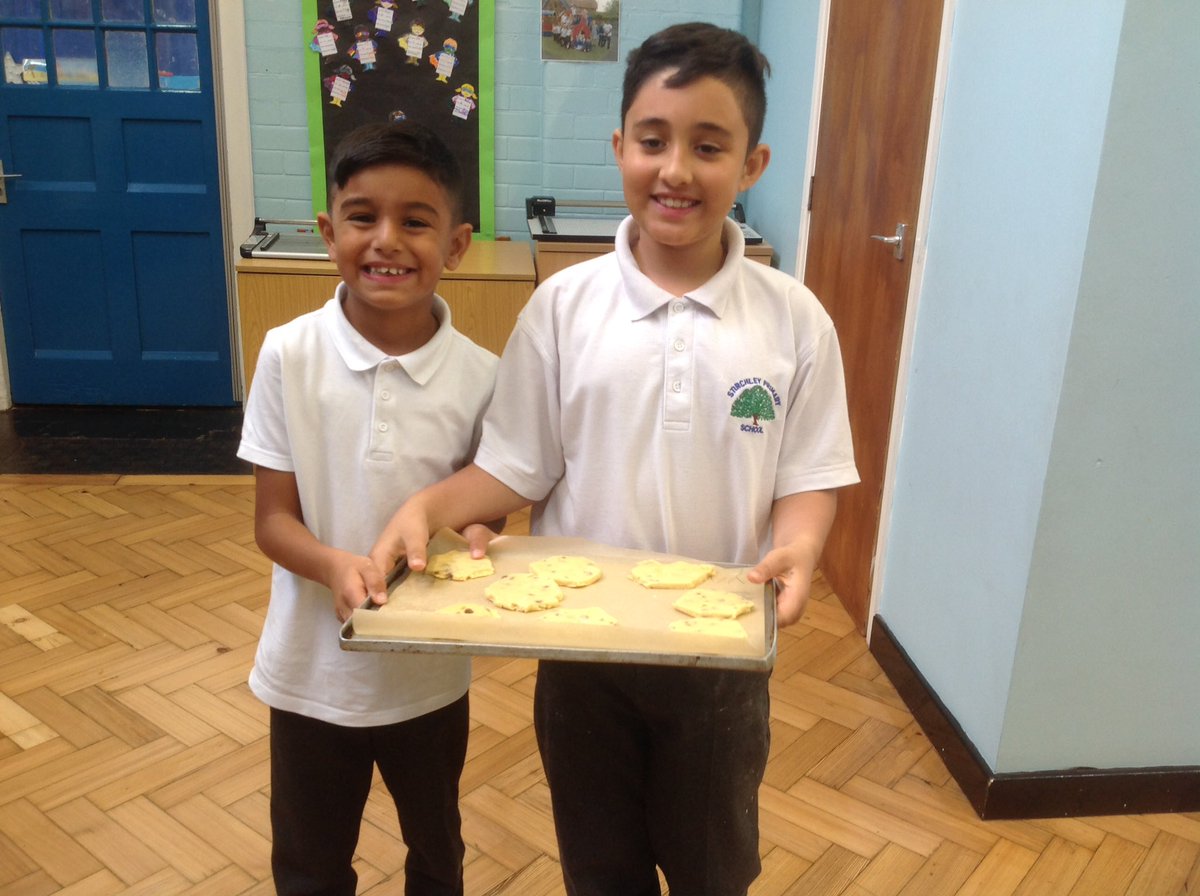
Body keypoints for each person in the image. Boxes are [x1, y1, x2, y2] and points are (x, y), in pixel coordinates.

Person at [371, 22, 859, 896]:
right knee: (599, 869)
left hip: (721, 659)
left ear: (753, 165)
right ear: (619, 148)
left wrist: (803, 543)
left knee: (715, 869)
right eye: (653, 140)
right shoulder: (563, 307)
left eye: (709, 147)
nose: (676, 170)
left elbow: (809, 473)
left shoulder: (793, 320)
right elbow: (517, 467)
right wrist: (432, 508)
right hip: (581, 663)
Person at [238, 121, 497, 896]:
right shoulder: (289, 353)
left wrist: (481, 535)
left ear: (455, 245)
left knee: (437, 855)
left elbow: (484, 513)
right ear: (328, 232)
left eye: (416, 221)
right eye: (362, 217)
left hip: (429, 680)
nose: (387, 241)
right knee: (311, 866)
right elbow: (272, 522)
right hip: (311, 674)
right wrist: (333, 566)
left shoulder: (483, 375)